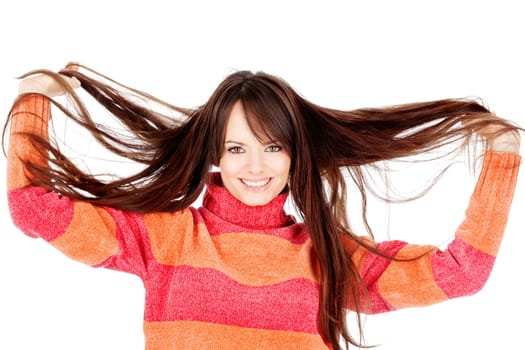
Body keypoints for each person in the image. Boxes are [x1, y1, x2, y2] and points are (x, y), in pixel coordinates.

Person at [3, 63, 521, 350]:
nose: (256, 166)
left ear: (296, 154)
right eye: (237, 148)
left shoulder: (328, 258)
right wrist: (34, 97)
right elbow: (33, 209)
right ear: (216, 154)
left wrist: (502, 157)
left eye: (273, 146)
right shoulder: (166, 237)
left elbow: (463, 273)